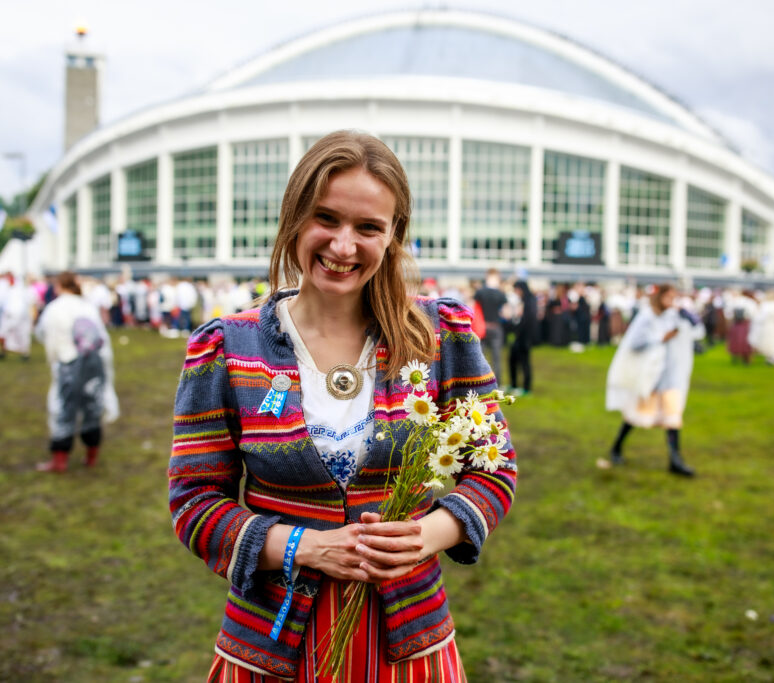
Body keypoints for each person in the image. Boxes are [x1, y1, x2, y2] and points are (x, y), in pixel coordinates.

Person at [170, 131, 516, 681]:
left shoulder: (439, 336)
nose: (343, 246)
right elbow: (194, 500)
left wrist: (425, 536)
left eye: (368, 228)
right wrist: (303, 547)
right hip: (270, 644)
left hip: (411, 642)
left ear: (393, 235)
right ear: (294, 217)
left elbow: (494, 470)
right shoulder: (226, 348)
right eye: (326, 218)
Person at [603, 283, 702, 477]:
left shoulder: (672, 316)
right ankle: (616, 447)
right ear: (659, 297)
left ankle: (675, 459)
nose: (671, 302)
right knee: (634, 417)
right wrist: (661, 338)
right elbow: (635, 343)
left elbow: (696, 331)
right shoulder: (647, 317)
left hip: (670, 377)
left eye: (673, 298)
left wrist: (688, 317)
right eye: (668, 297)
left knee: (672, 419)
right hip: (651, 377)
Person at [34, 271, 119, 472]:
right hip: (94, 363)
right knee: (92, 406)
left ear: (58, 286)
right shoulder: (86, 306)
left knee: (64, 407)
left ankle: (60, 459)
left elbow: (42, 333)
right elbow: (101, 338)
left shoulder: (55, 308)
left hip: (68, 364)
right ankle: (91, 455)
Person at [474, 268, 507, 387]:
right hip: (496, 327)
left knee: (480, 357)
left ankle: (480, 383)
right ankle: (497, 385)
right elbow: (505, 313)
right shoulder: (501, 294)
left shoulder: (480, 293)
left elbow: (474, 309)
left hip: (481, 327)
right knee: (496, 358)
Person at [508, 279, 538, 396]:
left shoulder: (529, 301)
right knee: (513, 360)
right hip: (520, 336)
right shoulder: (525, 300)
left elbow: (528, 320)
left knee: (524, 362)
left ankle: (526, 387)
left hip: (525, 337)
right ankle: (514, 384)